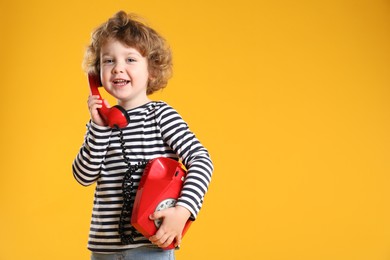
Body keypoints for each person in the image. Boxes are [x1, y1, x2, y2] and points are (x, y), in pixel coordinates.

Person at [72, 10, 213, 260]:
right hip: (104, 250)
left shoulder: (160, 115)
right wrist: (99, 128)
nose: (118, 69)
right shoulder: (101, 125)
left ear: (153, 71)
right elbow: (83, 176)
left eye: (130, 60)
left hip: (150, 246)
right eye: (108, 61)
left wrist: (183, 210)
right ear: (97, 76)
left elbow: (201, 159)